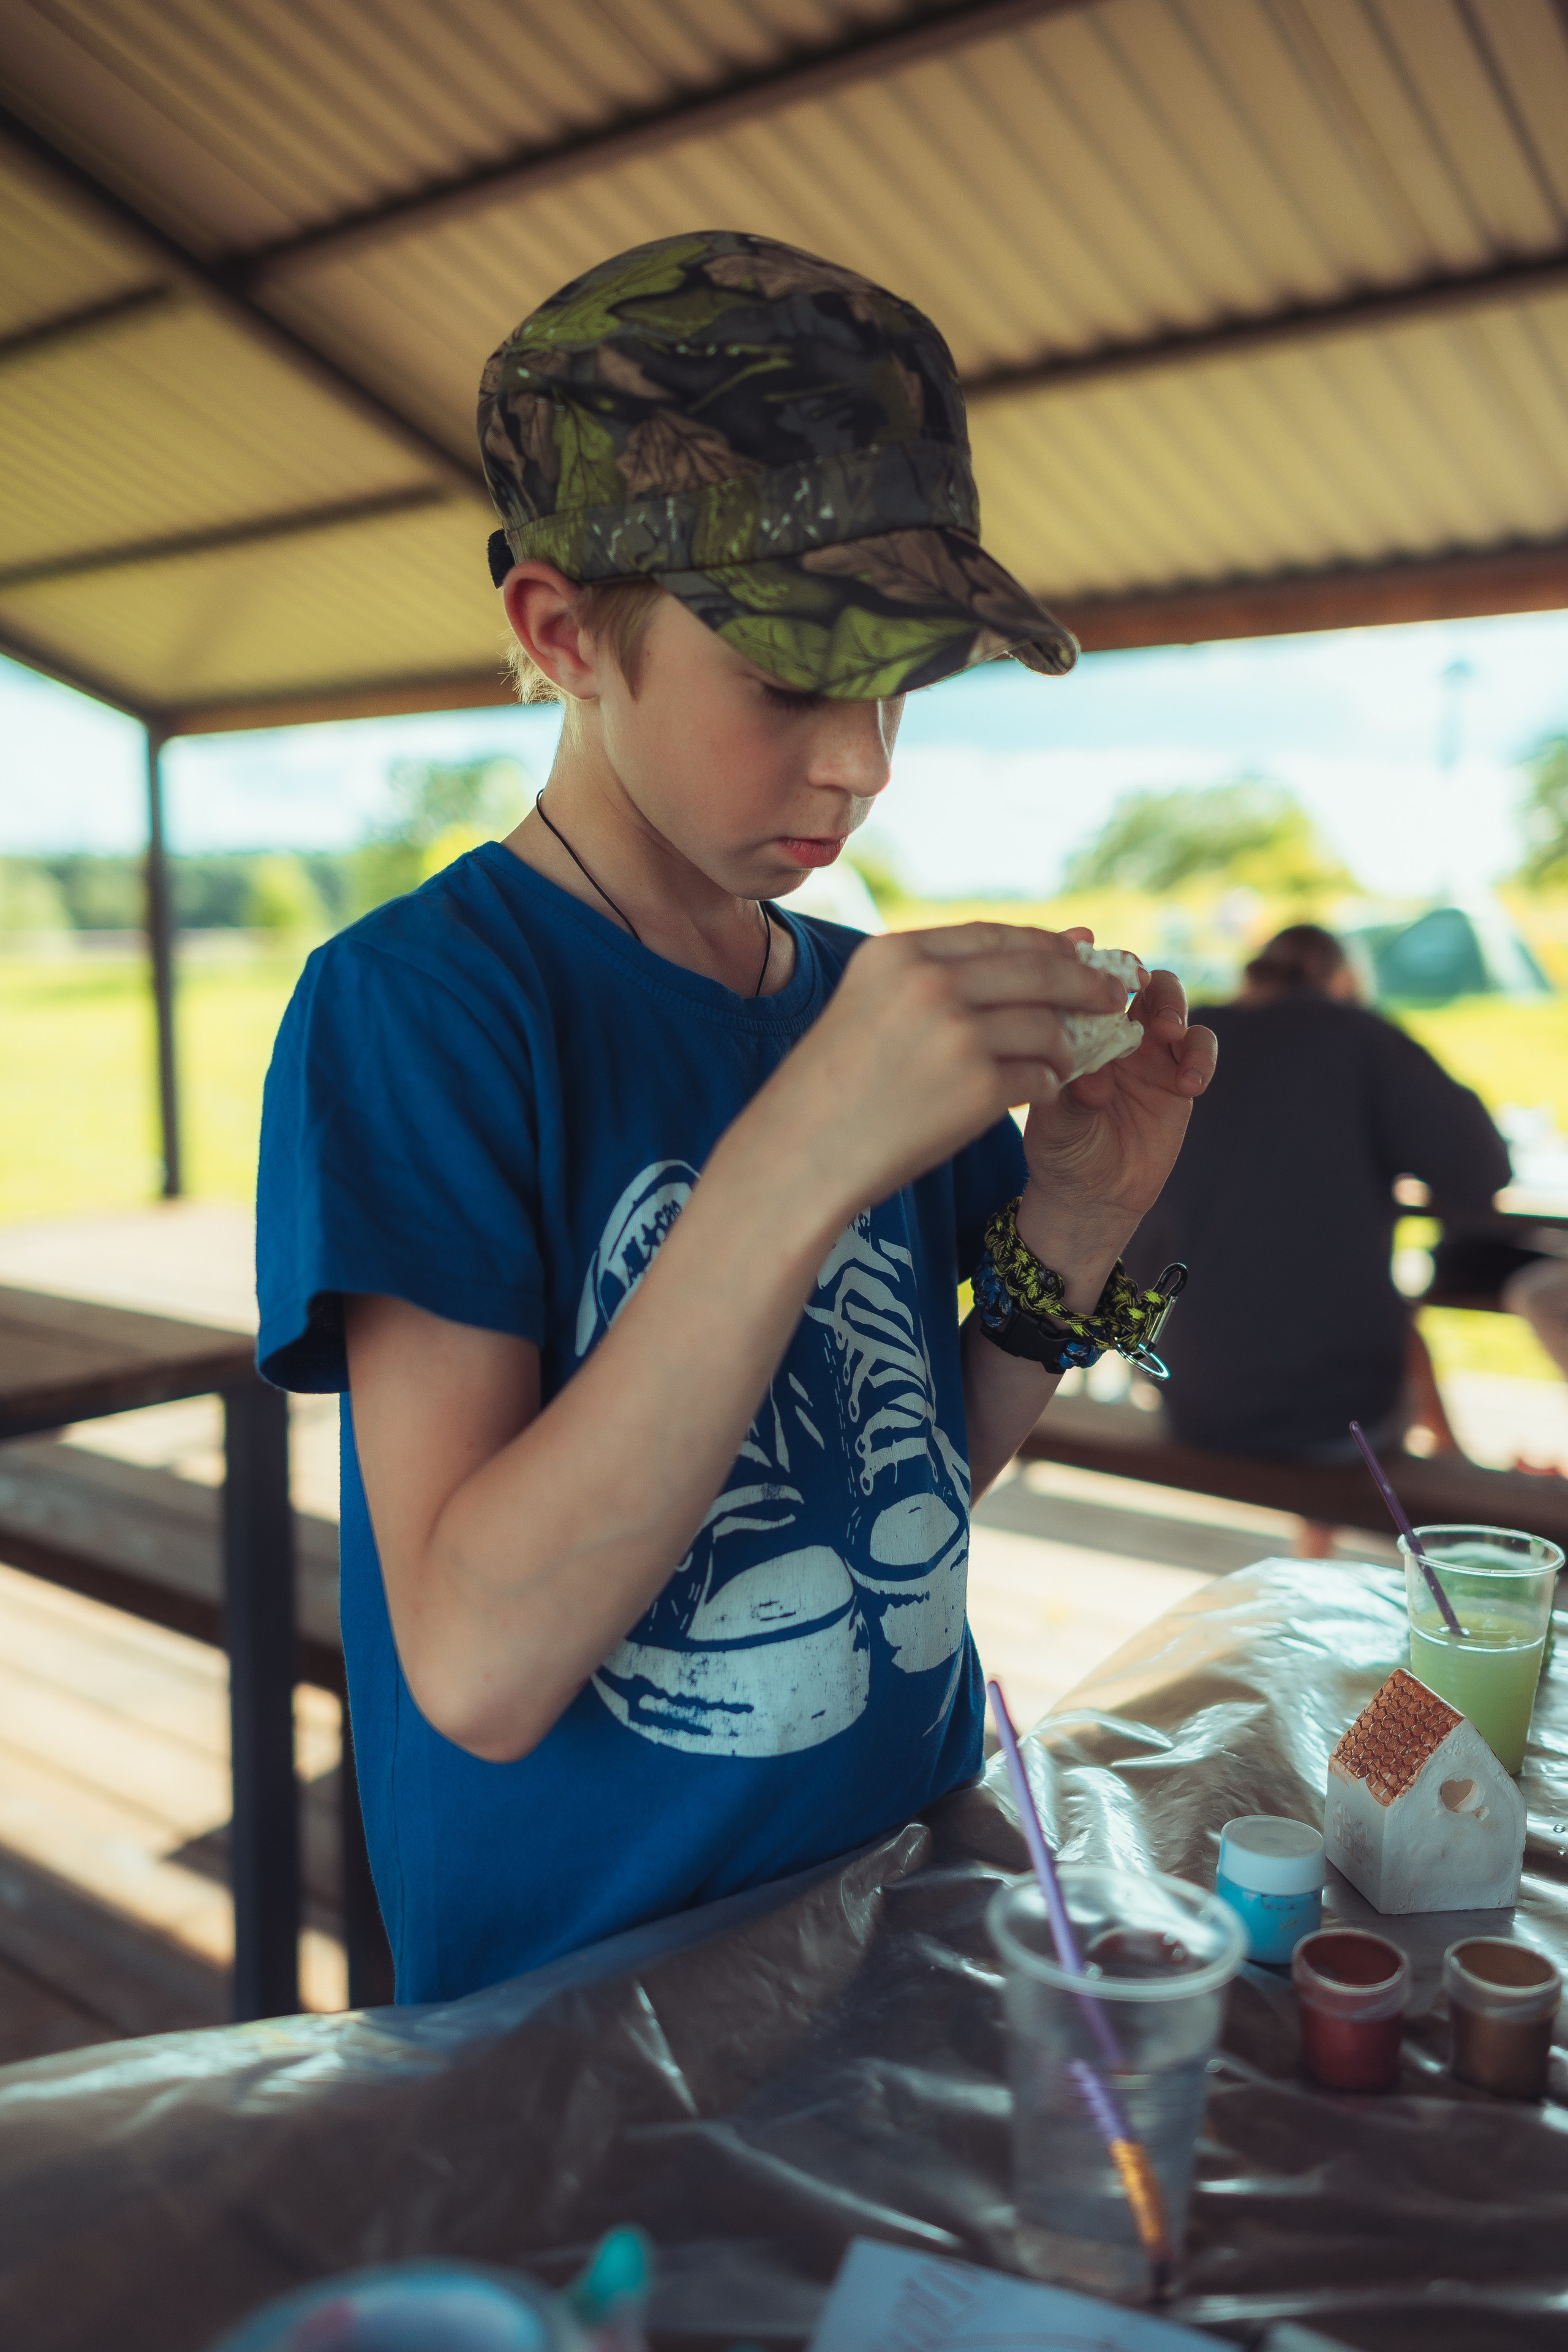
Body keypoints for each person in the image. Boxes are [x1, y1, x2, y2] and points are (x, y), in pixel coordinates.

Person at [256, 233, 1214, 2004]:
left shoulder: (857, 1007)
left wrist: (1069, 1235)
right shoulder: (427, 1008)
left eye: (898, 680)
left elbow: (908, 1493)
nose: (861, 761)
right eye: (789, 676)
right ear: (563, 633)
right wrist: (800, 1153)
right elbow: (476, 1658)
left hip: (910, 1900)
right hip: (587, 2011)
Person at [1127, 922, 1509, 1467]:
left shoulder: (1187, 1043)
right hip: (1332, 1408)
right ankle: (1424, 1489)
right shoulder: (1360, 1036)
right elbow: (1483, 1169)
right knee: (1390, 1348)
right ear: (1344, 978)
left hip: (1185, 1387)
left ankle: (1319, 1536)